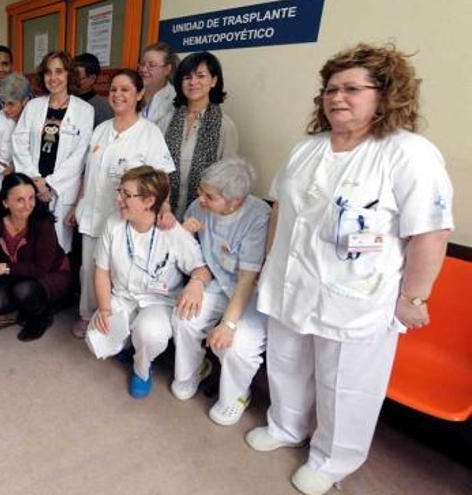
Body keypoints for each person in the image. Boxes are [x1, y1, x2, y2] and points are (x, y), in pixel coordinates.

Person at [245, 44, 454, 495]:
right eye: (330, 89)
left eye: (352, 88)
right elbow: (280, 207)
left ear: (385, 94)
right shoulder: (307, 148)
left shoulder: (409, 153)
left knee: (345, 384)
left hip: (357, 296)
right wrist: (267, 263)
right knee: (285, 363)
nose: (337, 97)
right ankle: (285, 425)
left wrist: (414, 297)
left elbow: (431, 233)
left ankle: (333, 459)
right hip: (290, 282)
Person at [85, 166, 210, 399]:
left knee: (150, 333)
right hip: (123, 296)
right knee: (98, 340)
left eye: (126, 194)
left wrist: (195, 284)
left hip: (158, 301)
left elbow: (201, 270)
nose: (118, 198)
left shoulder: (171, 231)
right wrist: (104, 309)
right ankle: (129, 344)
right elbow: (101, 271)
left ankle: (142, 369)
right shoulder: (114, 224)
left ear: (149, 201)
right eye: (119, 190)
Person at [72, 69, 175, 337]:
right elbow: (88, 172)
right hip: (94, 213)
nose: (117, 95)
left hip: (126, 217)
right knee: (89, 269)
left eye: (125, 90)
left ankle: (117, 325)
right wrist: (78, 204)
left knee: (119, 272)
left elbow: (162, 177)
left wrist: (164, 209)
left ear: (139, 94)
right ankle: (88, 315)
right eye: (114, 89)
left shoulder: (149, 133)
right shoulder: (100, 130)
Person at [171, 158, 269, 426]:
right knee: (184, 316)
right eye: (201, 192)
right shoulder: (198, 208)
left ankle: (236, 397)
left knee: (235, 345)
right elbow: (189, 253)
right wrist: (196, 282)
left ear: (234, 201)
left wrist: (228, 323)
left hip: (250, 292)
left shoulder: (258, 217)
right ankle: (194, 370)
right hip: (217, 281)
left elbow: (249, 277)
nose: (200, 199)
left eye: (209, 196)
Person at [12, 50, 94, 252]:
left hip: (60, 191)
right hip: (31, 188)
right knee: (27, 246)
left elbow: (79, 156)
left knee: (55, 251)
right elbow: (19, 143)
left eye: (59, 71)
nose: (53, 78)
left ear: (69, 75)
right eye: (48, 72)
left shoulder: (84, 111)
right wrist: (36, 180)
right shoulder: (33, 106)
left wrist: (49, 184)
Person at [0, 173, 72, 341]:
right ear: (5, 202)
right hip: (18, 274)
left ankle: (41, 317)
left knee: (24, 290)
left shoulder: (43, 224)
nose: (28, 205)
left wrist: (4, 269)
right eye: (20, 200)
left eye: (31, 198)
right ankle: (29, 304)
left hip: (51, 275)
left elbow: (41, 268)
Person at [164, 51, 238, 219]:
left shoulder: (225, 126)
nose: (193, 82)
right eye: (187, 77)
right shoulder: (166, 121)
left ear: (213, 81)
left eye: (200, 76)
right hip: (165, 213)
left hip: (204, 215)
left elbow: (227, 178)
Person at [138, 42, 178, 133]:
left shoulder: (175, 99)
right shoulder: (133, 93)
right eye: (142, 64)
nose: (143, 69)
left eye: (151, 65)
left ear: (167, 69)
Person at [72, 53, 112, 128]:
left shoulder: (101, 108)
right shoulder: (66, 100)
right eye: (71, 76)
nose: (73, 80)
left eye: (77, 78)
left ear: (92, 79)